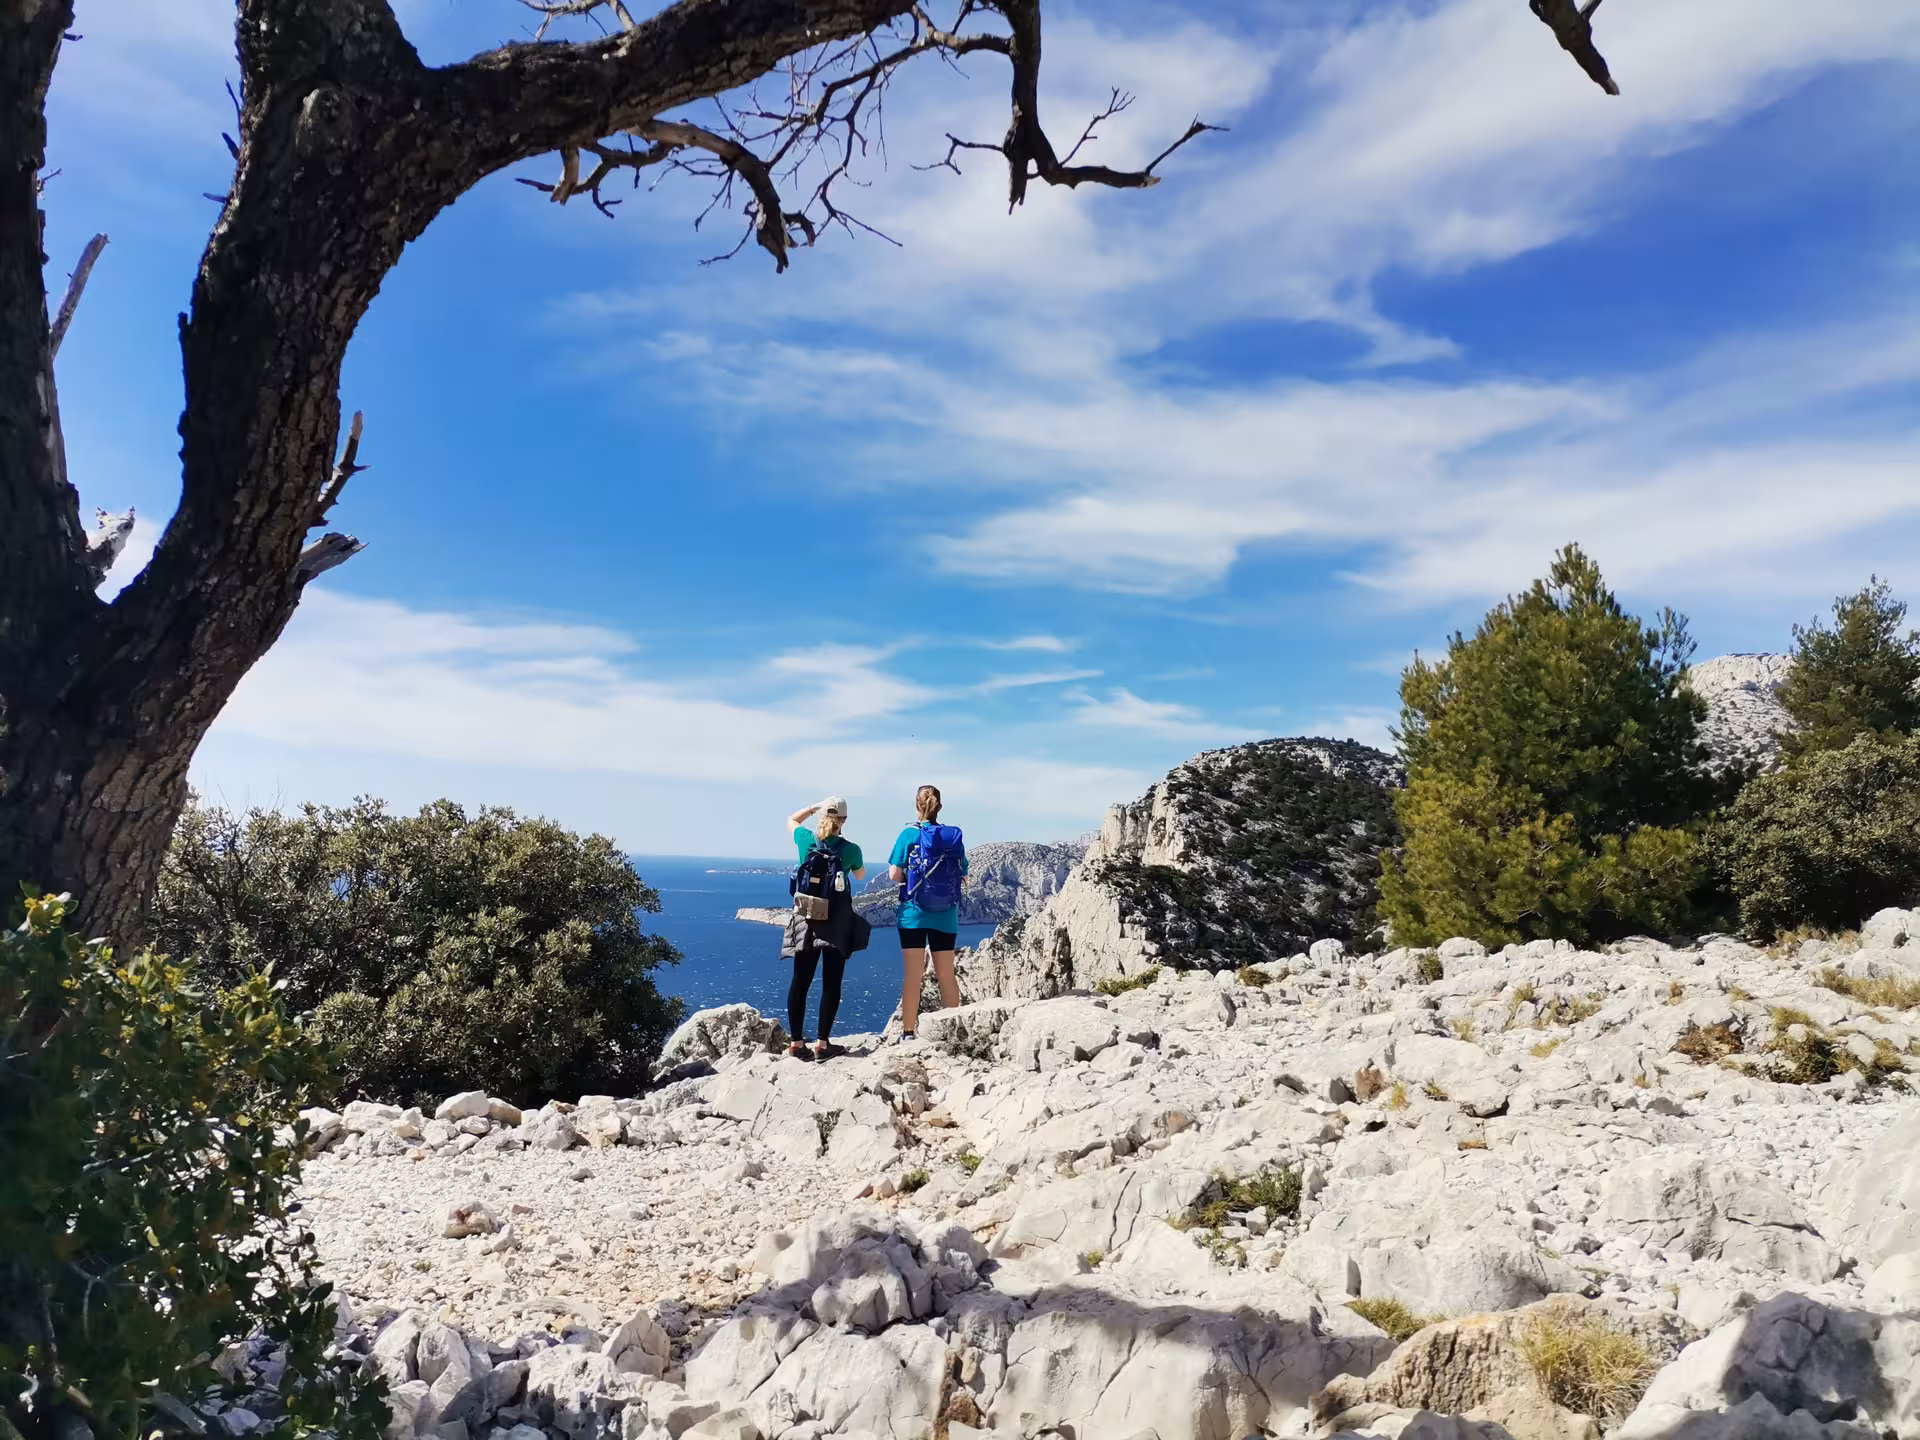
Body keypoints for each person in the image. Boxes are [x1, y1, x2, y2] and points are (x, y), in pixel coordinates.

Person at [783, 796, 865, 1060]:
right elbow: (861, 875)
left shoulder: (806, 839)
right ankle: (823, 1044)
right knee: (831, 982)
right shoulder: (851, 850)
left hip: (806, 918)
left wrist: (810, 808)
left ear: (820, 816)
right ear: (844, 820)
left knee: (800, 980)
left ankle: (796, 1044)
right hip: (836, 921)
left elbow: (791, 820)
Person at [888, 784, 968, 1041]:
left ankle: (908, 1033)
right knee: (946, 974)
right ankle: (952, 1032)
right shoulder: (952, 837)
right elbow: (964, 873)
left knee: (913, 975)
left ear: (917, 806)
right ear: (939, 808)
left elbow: (894, 874)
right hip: (946, 914)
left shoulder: (908, 834)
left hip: (913, 913)